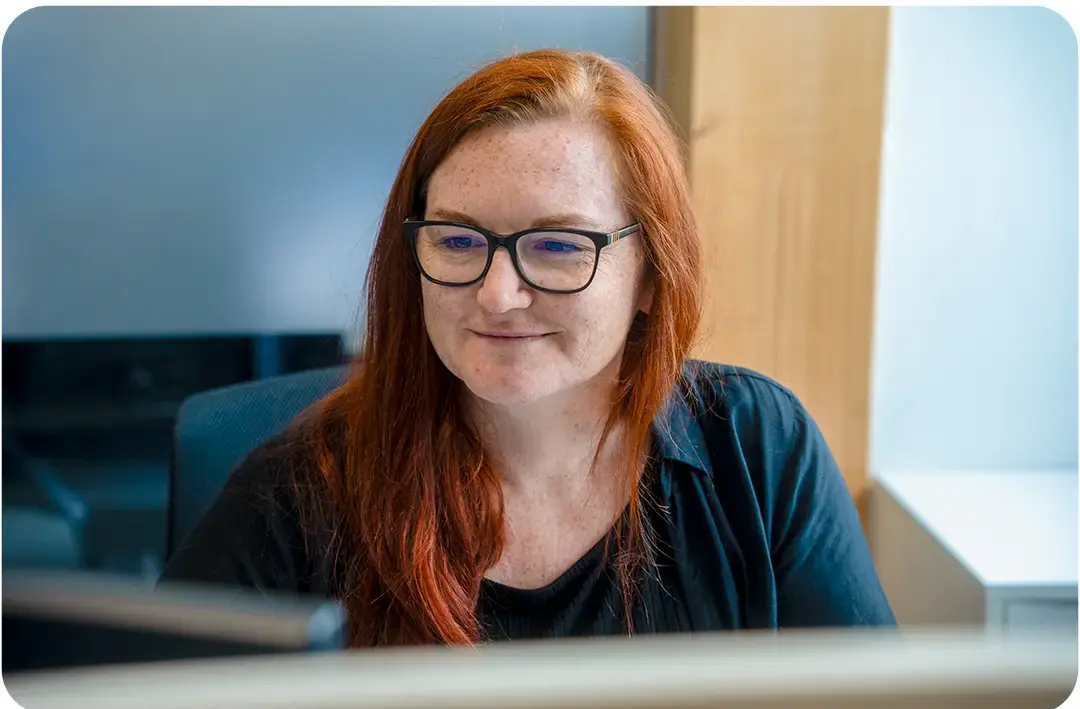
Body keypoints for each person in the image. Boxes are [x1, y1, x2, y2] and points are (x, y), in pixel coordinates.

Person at [162, 49, 895, 646]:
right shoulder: (296, 492)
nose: (497, 294)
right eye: (457, 240)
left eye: (557, 245)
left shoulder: (757, 449)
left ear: (649, 273)